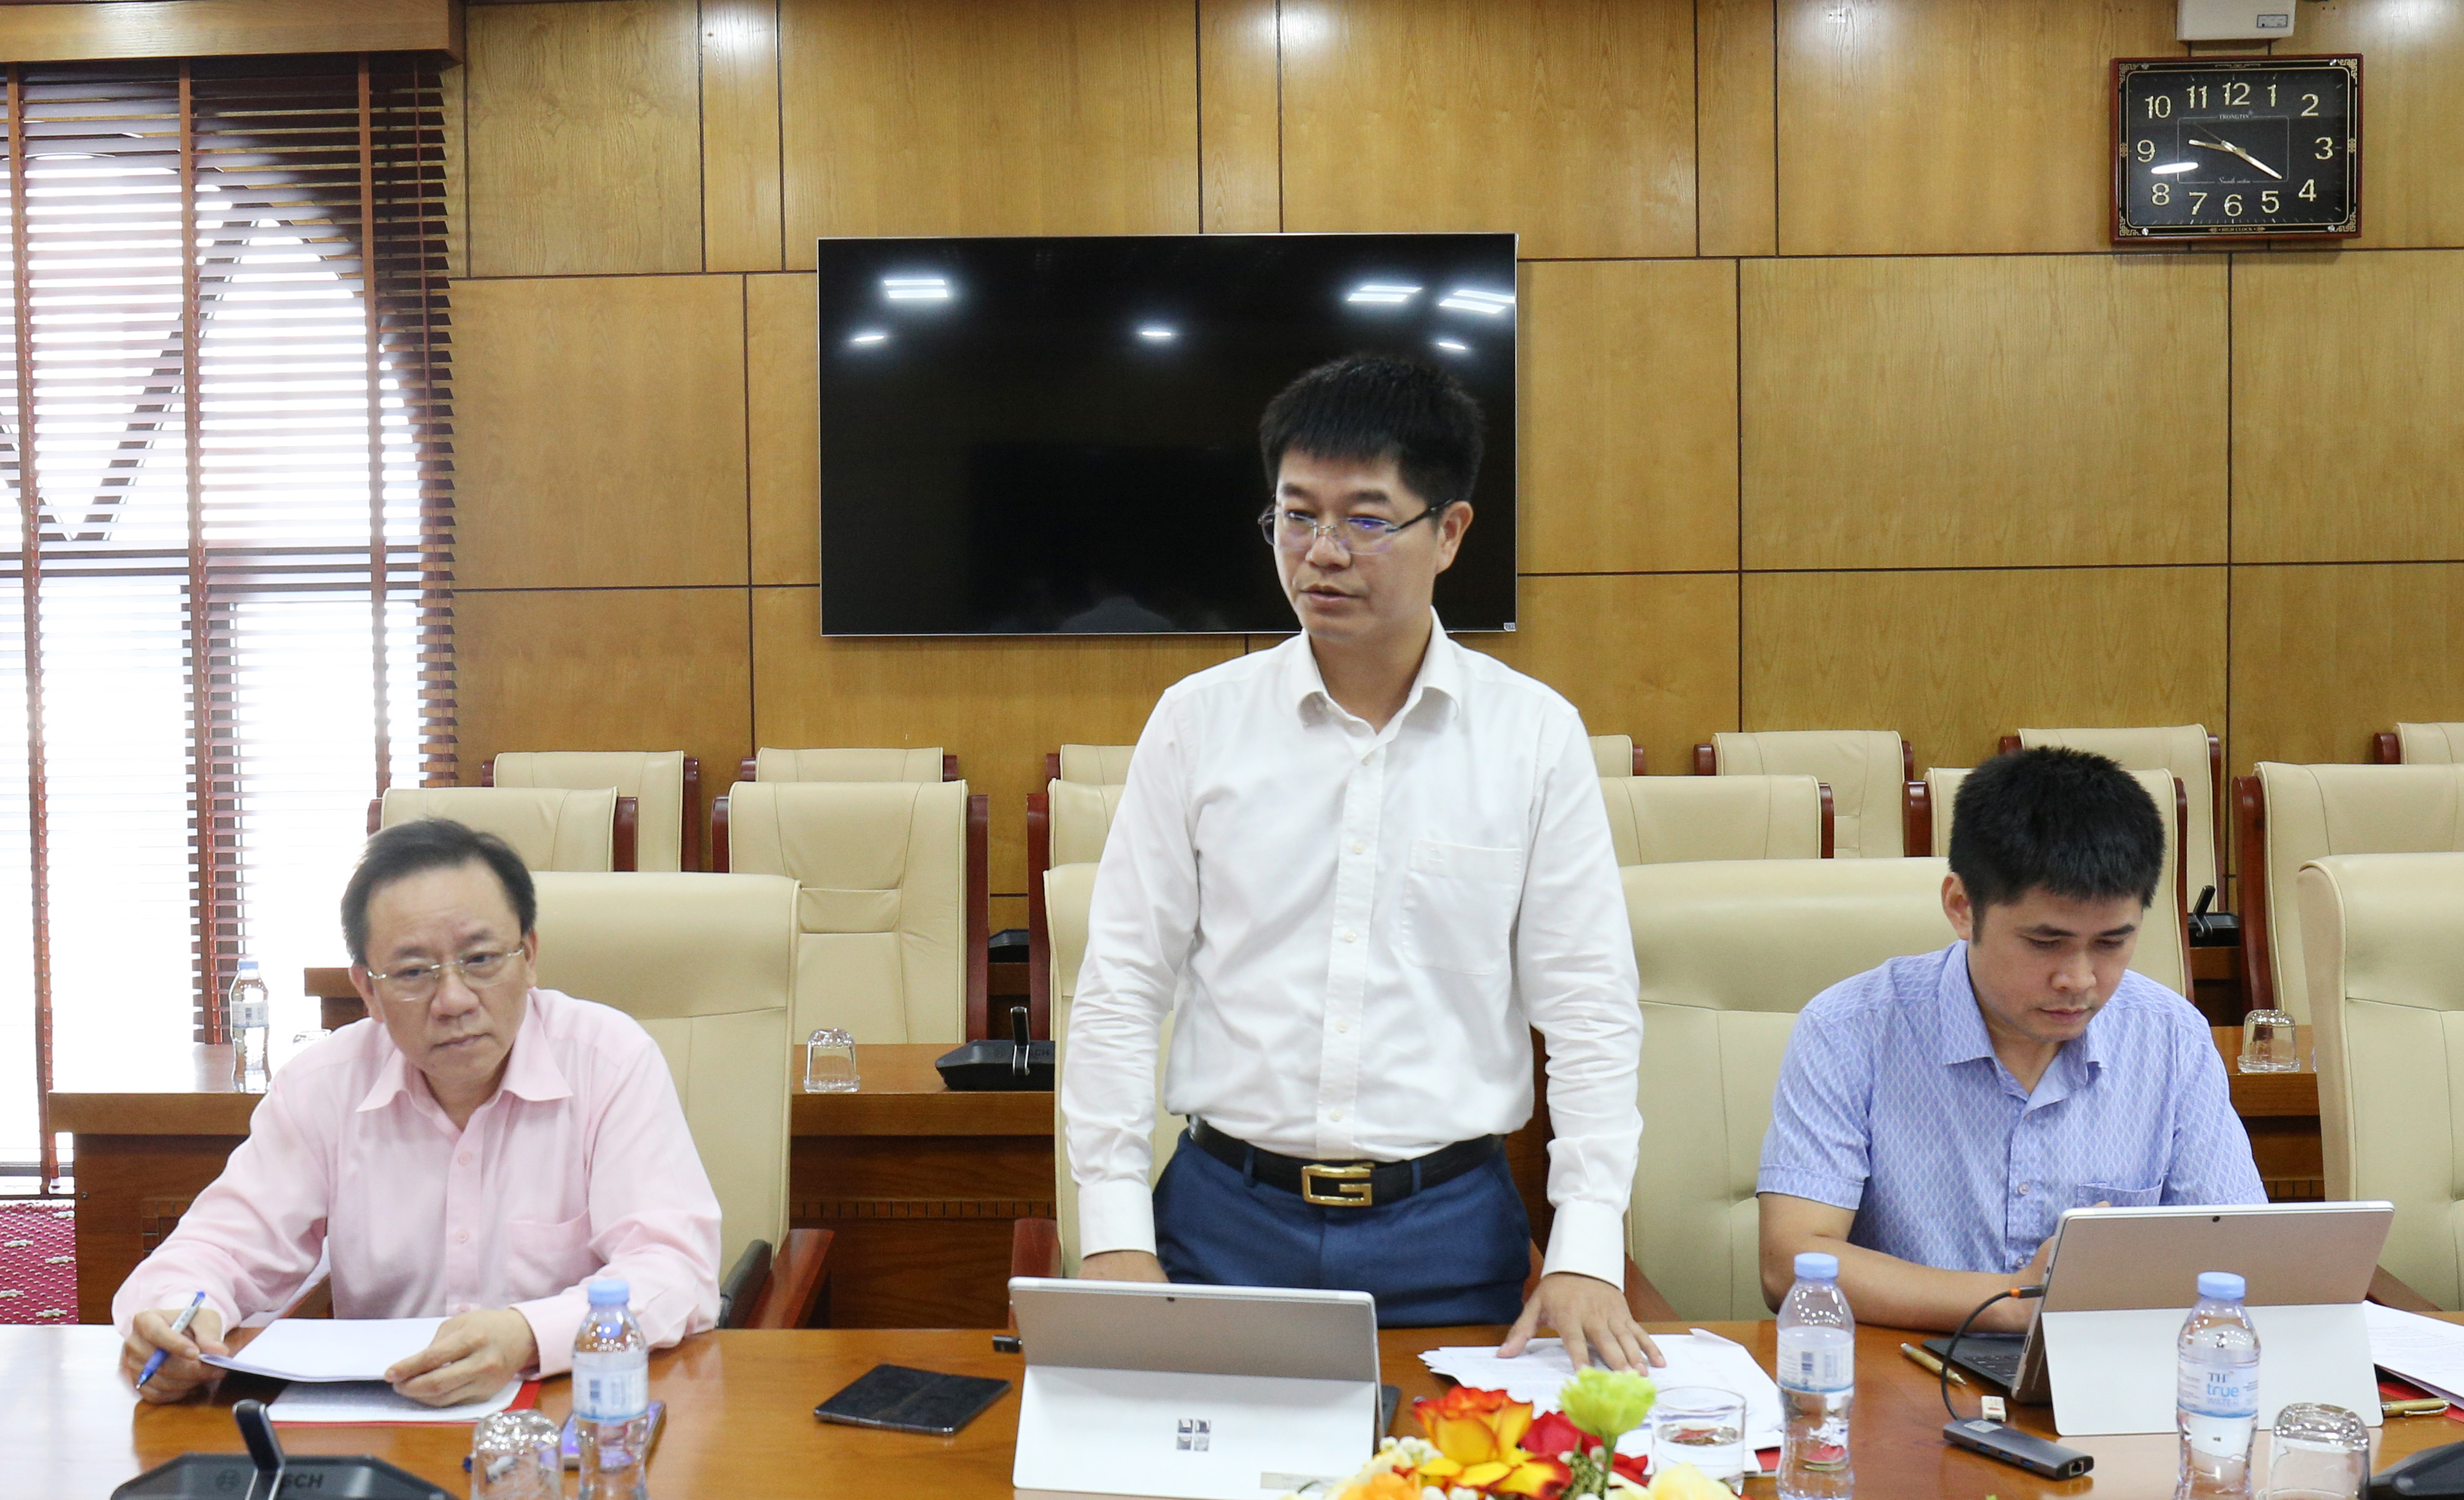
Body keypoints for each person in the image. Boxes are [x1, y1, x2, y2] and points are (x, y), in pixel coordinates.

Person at [1061, 352, 1656, 1371]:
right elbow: (1121, 985)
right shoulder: (1196, 724)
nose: (1321, 554)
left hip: (1446, 1228)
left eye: (1366, 520)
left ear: (1449, 532)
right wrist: (1115, 1232)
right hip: (1222, 1220)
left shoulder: (1531, 737)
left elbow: (1588, 1005)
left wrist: (1587, 1247)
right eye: (1295, 517)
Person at [115, 818, 721, 1405]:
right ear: (369, 991)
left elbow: (674, 1269)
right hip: (381, 1421)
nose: (454, 1000)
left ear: (530, 956)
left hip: (572, 1410)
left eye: (481, 959)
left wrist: (529, 1334)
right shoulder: (323, 1087)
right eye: (412, 972)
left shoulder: (610, 1062)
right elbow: (218, 1250)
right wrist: (176, 1317)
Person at [1756, 747, 2265, 1332]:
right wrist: (2012, 1300)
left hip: (2100, 1370)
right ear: (1962, 907)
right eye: (2046, 943)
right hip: (1899, 1368)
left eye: (2110, 943)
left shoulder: (2171, 1037)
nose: (2078, 979)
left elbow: (2241, 1257)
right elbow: (1790, 1263)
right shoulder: (1850, 1030)